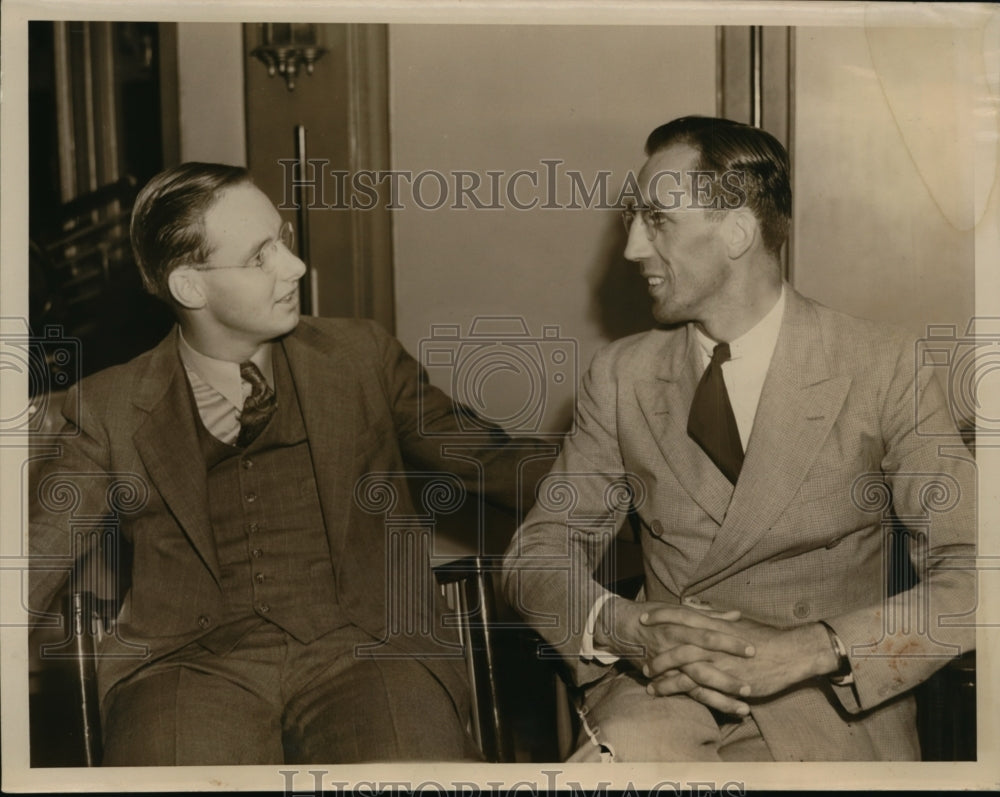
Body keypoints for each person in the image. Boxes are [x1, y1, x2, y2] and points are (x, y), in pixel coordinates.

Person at [29, 162, 550, 765]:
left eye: (283, 240)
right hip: (184, 665)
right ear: (190, 287)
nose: (295, 266)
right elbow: (36, 556)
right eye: (260, 257)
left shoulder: (362, 358)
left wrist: (629, 481)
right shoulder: (110, 407)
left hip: (369, 646)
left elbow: (492, 459)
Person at [502, 116, 977, 761]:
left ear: (737, 232)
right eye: (633, 220)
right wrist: (624, 626)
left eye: (658, 220)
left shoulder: (884, 366)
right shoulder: (621, 375)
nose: (633, 248)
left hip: (831, 706)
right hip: (660, 697)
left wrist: (816, 647)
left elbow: (977, 572)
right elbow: (537, 553)